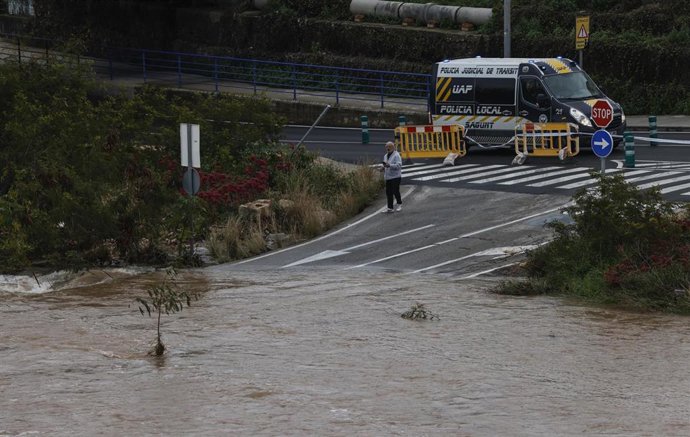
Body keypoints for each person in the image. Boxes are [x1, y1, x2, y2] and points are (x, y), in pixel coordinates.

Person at [382, 140, 402, 213]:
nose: (387, 148)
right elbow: (385, 164)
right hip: (388, 176)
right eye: (386, 147)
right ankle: (390, 207)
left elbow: (399, 165)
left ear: (393, 147)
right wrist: (382, 168)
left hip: (396, 176)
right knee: (389, 192)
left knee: (395, 191)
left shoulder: (396, 155)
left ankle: (399, 204)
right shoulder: (385, 155)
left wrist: (390, 165)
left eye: (389, 147)